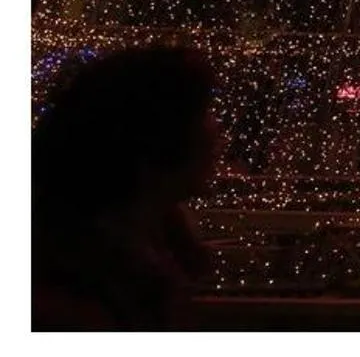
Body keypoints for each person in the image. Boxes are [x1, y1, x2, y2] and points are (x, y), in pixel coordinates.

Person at [32, 46, 223, 330]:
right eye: (204, 115)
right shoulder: (75, 304)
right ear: (156, 142)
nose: (216, 131)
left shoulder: (149, 254)